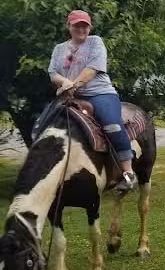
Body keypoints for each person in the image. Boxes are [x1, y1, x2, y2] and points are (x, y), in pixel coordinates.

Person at [47, 10, 137, 193]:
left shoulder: (95, 42)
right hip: (69, 95)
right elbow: (53, 73)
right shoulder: (59, 49)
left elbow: (92, 70)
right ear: (69, 26)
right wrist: (64, 82)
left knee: (112, 125)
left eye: (85, 25)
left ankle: (128, 172)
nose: (81, 28)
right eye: (77, 25)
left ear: (90, 27)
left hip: (100, 94)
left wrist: (74, 84)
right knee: (44, 121)